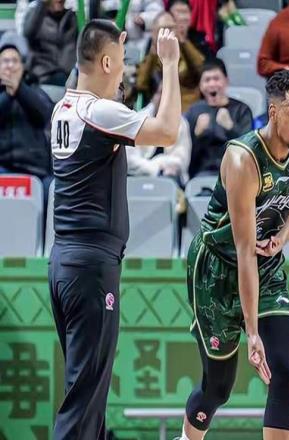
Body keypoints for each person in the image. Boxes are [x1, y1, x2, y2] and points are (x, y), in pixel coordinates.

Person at [49, 19, 181, 439]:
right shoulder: (98, 112)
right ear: (106, 63)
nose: (125, 71)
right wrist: (170, 64)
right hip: (91, 268)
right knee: (83, 400)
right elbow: (167, 131)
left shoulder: (63, 107)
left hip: (65, 262)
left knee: (88, 396)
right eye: (122, 61)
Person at [178, 69, 289, 440]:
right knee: (218, 388)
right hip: (217, 269)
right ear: (273, 113)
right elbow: (243, 252)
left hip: (265, 265)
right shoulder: (243, 159)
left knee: (283, 369)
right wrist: (252, 333)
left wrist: (281, 239)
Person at [0, 37, 54, 201]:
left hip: (34, 170)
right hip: (2, 167)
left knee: (52, 189)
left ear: (23, 67)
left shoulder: (35, 91)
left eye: (15, 61)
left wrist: (19, 89)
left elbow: (45, 115)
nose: (10, 65)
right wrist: (8, 95)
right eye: (5, 61)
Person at [184, 58, 253, 178]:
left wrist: (230, 128)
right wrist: (197, 135)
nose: (212, 84)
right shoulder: (193, 111)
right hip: (201, 174)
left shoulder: (242, 110)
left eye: (216, 79)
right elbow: (185, 156)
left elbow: (249, 150)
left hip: (235, 173)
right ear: (200, 85)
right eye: (207, 80)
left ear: (226, 81)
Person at [136, 11, 206, 110]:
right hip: (161, 108)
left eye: (170, 28)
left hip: (188, 107)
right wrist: (154, 48)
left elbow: (201, 69)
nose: (167, 33)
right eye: (163, 29)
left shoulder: (187, 51)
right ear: (154, 32)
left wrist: (183, 41)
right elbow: (140, 84)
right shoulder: (152, 57)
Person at [127, 81, 192, 185]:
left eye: (168, 94)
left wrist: (159, 161)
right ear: (153, 96)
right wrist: (155, 169)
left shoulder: (182, 123)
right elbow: (130, 160)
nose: (164, 97)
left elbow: (181, 160)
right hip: (140, 176)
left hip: (169, 177)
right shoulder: (137, 119)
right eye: (160, 92)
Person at [23, 0, 78, 85]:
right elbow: (27, 32)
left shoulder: (71, 17)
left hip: (69, 76)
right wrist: (41, 4)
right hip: (43, 76)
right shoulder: (37, 16)